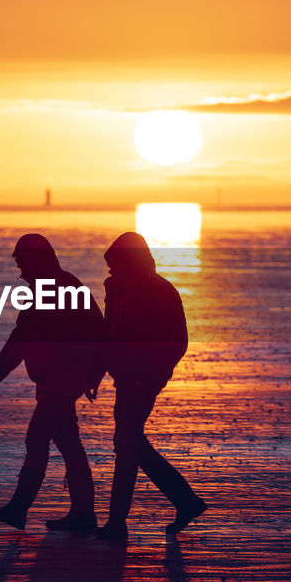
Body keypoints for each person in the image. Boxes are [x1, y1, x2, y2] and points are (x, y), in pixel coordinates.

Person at [0, 233, 105, 533]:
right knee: (68, 444)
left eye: (21, 257)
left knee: (37, 438)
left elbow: (21, 340)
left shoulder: (57, 288)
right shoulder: (52, 286)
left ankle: (19, 509)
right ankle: (83, 513)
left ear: (37, 258)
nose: (18, 263)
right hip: (58, 379)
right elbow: (23, 339)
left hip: (64, 379)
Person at [95, 232, 207, 541]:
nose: (111, 270)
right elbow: (109, 334)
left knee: (127, 443)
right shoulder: (116, 290)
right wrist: (98, 372)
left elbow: (177, 342)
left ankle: (118, 522)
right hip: (123, 377)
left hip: (143, 379)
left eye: (115, 263)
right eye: (109, 265)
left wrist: (152, 374)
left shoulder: (159, 291)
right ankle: (185, 501)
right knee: (130, 443)